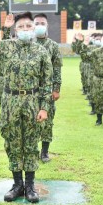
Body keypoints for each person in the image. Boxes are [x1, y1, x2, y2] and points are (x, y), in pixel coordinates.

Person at [0, 0, 52, 203]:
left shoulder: (41, 52)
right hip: (10, 101)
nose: (25, 29)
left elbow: (46, 83)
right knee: (13, 142)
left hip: (33, 100)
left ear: (34, 29)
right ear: (15, 30)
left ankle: (31, 186)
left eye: (28, 26)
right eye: (21, 26)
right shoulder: (5, 48)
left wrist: (44, 107)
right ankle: (17, 184)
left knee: (31, 143)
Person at [34, 13, 63, 162]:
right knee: (30, 120)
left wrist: (56, 88)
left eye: (42, 23)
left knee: (48, 121)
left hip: (47, 89)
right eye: (37, 23)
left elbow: (57, 68)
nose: (39, 25)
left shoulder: (53, 46)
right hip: (30, 89)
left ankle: (44, 152)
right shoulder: (28, 44)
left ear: (47, 25)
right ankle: (32, 150)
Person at [76, 32, 103, 126]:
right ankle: (99, 120)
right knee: (98, 99)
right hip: (97, 79)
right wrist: (84, 45)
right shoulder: (95, 52)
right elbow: (84, 57)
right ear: (101, 41)